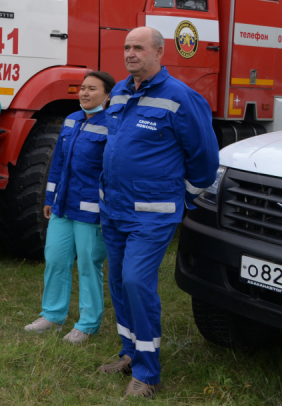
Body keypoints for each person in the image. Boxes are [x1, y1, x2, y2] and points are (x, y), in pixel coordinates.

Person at [96, 27, 218, 398]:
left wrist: (183, 196)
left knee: (135, 281)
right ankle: (130, 353)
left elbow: (206, 160)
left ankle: (147, 374)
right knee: (118, 282)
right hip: (115, 210)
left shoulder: (181, 97)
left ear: (159, 52)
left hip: (153, 213)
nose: (130, 53)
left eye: (139, 47)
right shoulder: (118, 91)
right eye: (126, 47)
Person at [24, 71, 115, 343]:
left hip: (91, 211)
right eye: (82, 88)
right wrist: (50, 199)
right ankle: (52, 315)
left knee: (88, 264)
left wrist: (105, 210)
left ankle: (87, 323)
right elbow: (58, 164)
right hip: (63, 206)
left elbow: (111, 173)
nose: (85, 93)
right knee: (55, 260)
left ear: (107, 96)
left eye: (92, 89)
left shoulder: (112, 125)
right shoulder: (71, 120)